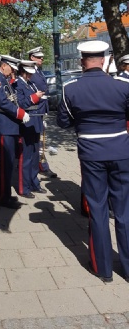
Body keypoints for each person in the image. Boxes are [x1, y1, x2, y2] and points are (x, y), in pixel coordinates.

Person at [57, 40, 129, 283]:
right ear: (105, 59)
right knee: (124, 211)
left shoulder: (70, 88)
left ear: (81, 62)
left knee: (97, 210)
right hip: (121, 151)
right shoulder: (123, 85)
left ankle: (103, 269)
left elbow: (64, 123)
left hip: (91, 154)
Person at [0, 55, 30, 209]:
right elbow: (3, 102)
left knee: (8, 163)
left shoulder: (4, 79)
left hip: (8, 125)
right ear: (4, 65)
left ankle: (4, 194)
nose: (12, 72)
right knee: (6, 163)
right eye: (11, 68)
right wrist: (19, 113)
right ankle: (2, 197)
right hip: (3, 126)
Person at [16, 60, 47, 198]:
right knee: (26, 157)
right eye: (28, 73)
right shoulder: (17, 84)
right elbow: (21, 103)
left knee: (35, 155)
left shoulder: (30, 83)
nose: (30, 76)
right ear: (23, 72)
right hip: (27, 123)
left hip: (36, 121)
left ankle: (34, 182)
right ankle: (24, 187)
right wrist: (35, 97)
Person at [28, 46, 57, 178]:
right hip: (35, 108)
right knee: (37, 139)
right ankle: (40, 165)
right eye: (39, 57)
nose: (42, 59)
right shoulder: (30, 72)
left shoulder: (37, 71)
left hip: (41, 107)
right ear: (32, 58)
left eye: (42, 57)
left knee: (41, 138)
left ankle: (41, 164)